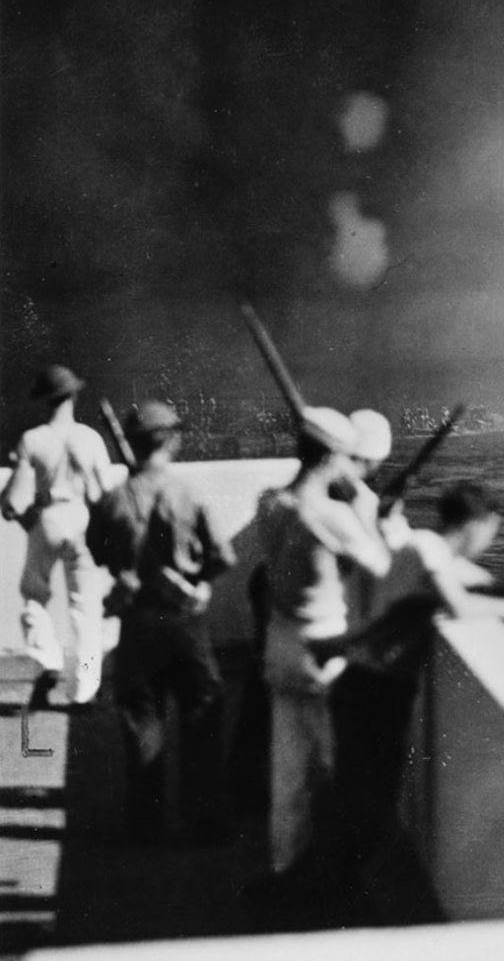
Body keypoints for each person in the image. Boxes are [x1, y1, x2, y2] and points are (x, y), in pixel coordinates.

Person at [326, 481, 504, 920]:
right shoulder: (427, 548)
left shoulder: (421, 547)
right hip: (372, 690)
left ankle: (343, 895)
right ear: (478, 525)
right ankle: (344, 904)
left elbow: (462, 580)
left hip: (371, 686)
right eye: (492, 531)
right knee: (368, 801)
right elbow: (458, 604)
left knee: (363, 796)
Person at [85, 401, 235, 842]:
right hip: (185, 621)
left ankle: (147, 826)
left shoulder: (112, 500)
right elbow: (223, 556)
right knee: (201, 714)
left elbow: (100, 554)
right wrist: (199, 581)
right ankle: (204, 821)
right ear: (174, 439)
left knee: (142, 721)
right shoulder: (189, 493)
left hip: (137, 622)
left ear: (129, 443)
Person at [253, 406, 391, 879]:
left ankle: (284, 867)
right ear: (333, 457)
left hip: (280, 643)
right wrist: (367, 510)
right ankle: (338, 875)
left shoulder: (269, 503)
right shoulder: (329, 516)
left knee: (287, 772)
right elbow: (381, 566)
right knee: (336, 766)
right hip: (324, 651)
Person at [1, 364, 114, 707]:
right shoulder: (90, 438)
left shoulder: (33, 439)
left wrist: (14, 510)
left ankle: (46, 660)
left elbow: (15, 499)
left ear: (44, 400)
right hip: (82, 518)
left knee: (34, 594)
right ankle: (85, 689)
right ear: (73, 395)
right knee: (85, 607)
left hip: (47, 520)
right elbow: (103, 492)